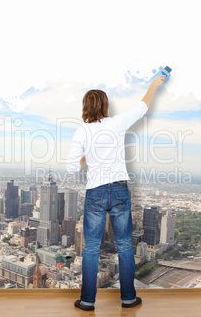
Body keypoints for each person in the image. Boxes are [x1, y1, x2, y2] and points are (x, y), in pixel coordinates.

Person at [66, 74, 165, 310]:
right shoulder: (118, 123)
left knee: (91, 248)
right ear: (105, 106)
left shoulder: (81, 132)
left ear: (85, 108)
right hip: (120, 190)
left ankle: (88, 301)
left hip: (96, 192)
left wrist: (86, 156)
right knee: (123, 246)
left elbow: (71, 168)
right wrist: (154, 85)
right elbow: (143, 107)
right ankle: (129, 298)